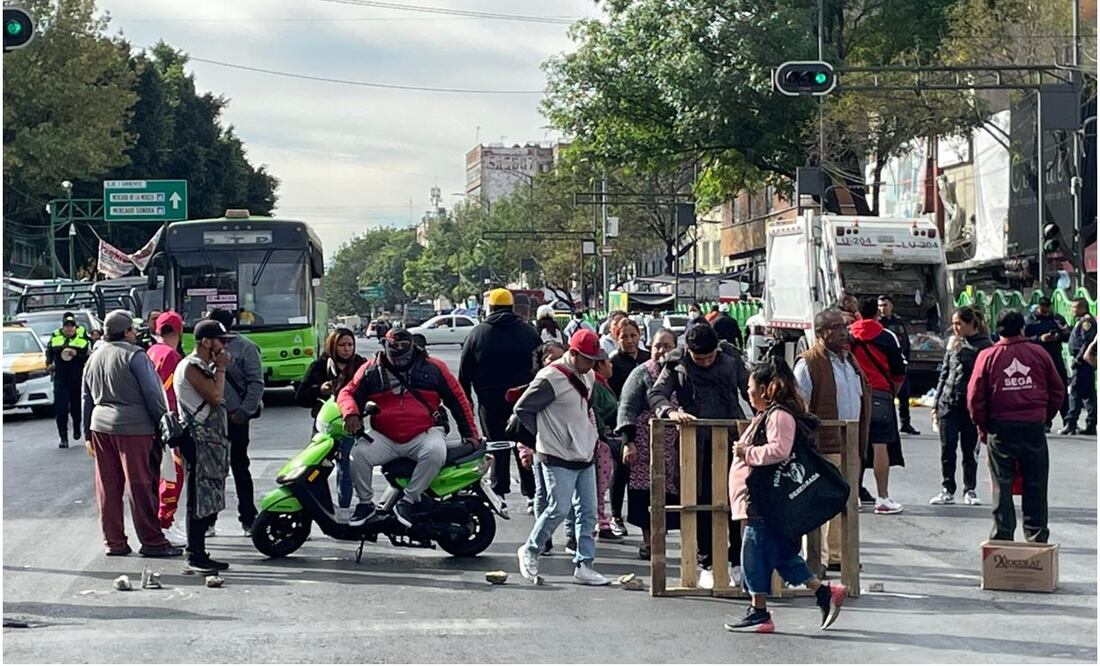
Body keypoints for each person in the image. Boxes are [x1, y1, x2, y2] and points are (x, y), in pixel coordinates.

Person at [724, 359, 846, 633]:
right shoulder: (769, 414)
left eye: (751, 387)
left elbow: (780, 450)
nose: (748, 392)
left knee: (752, 554)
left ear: (766, 389)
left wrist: (746, 452)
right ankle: (824, 592)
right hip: (761, 500)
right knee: (779, 555)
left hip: (764, 501)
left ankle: (759, 612)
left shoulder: (779, 415)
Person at [339, 328, 479, 528]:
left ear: (412, 345)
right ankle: (365, 504)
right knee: (357, 454)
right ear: (385, 346)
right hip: (384, 436)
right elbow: (347, 392)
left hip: (425, 433)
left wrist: (471, 434)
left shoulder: (435, 368)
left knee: (435, 452)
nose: (399, 350)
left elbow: (458, 400)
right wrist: (351, 412)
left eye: (404, 346)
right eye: (394, 346)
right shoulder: (370, 370)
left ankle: (409, 500)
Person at [649, 322, 748, 589]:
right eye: (698, 358)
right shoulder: (676, 362)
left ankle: (737, 560)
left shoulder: (731, 358)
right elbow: (656, 393)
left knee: (736, 501)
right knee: (699, 501)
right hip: (694, 444)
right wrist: (670, 412)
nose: (704, 363)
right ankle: (707, 563)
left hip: (730, 439)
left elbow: (750, 388)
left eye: (709, 357)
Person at [513, 329, 611, 586]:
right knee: (559, 508)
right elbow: (522, 409)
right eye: (588, 358)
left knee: (588, 512)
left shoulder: (589, 375)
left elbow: (586, 407)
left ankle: (584, 564)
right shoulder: (550, 378)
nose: (592, 364)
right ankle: (530, 549)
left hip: (584, 452)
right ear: (574, 354)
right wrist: (544, 434)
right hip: (555, 453)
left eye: (595, 359)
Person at [81, 310, 178, 558]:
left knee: (108, 487)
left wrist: (86, 434)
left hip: (100, 427)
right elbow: (153, 394)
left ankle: (114, 542)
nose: (136, 333)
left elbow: (86, 399)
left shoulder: (94, 356)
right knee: (140, 486)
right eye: (133, 330)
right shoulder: (135, 356)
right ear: (126, 332)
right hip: (134, 429)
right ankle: (152, 542)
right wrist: (163, 424)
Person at [968, 310, 1065, 543]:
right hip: (1033, 425)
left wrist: (983, 425)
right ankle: (1037, 537)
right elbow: (1057, 390)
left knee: (1001, 484)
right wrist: (1044, 416)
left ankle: (1002, 537)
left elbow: (974, 397)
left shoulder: (988, 356)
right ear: (1022, 328)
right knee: (1036, 483)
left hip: (1000, 428)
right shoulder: (1039, 353)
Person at [793, 309, 871, 575]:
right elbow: (800, 405)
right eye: (836, 327)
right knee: (820, 503)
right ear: (821, 333)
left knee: (844, 501)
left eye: (845, 326)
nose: (843, 332)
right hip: (824, 444)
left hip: (850, 445)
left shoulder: (850, 361)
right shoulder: (809, 363)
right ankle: (817, 559)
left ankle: (837, 555)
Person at [458, 288, 541, 511]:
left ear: (491, 308)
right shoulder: (529, 332)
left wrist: (468, 399)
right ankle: (532, 493)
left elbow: (464, 373)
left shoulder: (478, 334)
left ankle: (499, 490)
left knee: (496, 445)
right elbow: (542, 366)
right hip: (524, 400)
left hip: (490, 400)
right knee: (524, 444)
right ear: (512, 308)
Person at [174, 318, 234, 573]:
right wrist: (220, 369)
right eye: (221, 341)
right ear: (206, 342)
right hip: (198, 441)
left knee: (210, 493)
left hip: (210, 442)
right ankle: (195, 552)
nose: (224, 347)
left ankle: (199, 551)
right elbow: (216, 397)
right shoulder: (191, 366)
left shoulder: (200, 365)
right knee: (199, 496)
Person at [616, 328, 679, 559]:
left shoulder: (682, 373)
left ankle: (666, 540)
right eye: (657, 346)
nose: (662, 350)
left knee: (674, 495)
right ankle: (649, 542)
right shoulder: (641, 374)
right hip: (645, 445)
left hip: (676, 448)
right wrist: (628, 442)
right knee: (645, 495)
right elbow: (627, 409)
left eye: (667, 346)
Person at [296, 327, 368, 508]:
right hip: (324, 427)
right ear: (332, 346)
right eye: (342, 345)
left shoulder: (361, 365)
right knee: (315, 469)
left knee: (346, 468)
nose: (346, 349)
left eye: (350, 345)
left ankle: (345, 508)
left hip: (349, 426)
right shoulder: (319, 366)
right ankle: (316, 509)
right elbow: (301, 397)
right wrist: (319, 389)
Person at [208, 308, 264, 535]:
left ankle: (248, 519)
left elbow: (256, 384)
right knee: (213, 471)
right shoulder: (205, 348)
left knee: (240, 467)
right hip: (211, 419)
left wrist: (243, 412)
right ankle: (208, 520)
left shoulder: (246, 348)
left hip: (235, 418)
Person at [849, 297, 906, 515]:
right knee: (880, 444)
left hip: (854, 394)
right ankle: (882, 497)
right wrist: (892, 392)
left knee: (854, 446)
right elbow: (899, 372)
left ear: (857, 314)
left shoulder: (848, 336)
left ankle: (853, 496)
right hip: (881, 394)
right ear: (877, 313)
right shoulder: (886, 336)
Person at [929, 307, 992, 506]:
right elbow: (945, 373)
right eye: (953, 323)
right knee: (947, 447)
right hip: (948, 402)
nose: (955, 328)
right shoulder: (953, 344)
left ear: (971, 324)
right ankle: (947, 488)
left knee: (969, 450)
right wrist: (936, 402)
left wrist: (962, 352)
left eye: (959, 324)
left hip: (970, 405)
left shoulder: (984, 346)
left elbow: (983, 376)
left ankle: (970, 488)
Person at [147, 311, 187, 547]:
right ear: (179, 331)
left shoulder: (151, 351)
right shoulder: (171, 356)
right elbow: (172, 395)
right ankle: (165, 522)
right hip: (169, 424)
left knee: (160, 475)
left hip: (151, 423)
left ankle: (164, 521)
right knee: (173, 474)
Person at [607, 317, 649, 535]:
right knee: (621, 471)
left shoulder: (648, 359)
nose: (630, 340)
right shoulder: (613, 363)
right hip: (621, 425)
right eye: (624, 336)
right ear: (616, 338)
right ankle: (615, 515)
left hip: (648, 424)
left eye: (633, 335)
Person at [1024, 297, 1070, 432]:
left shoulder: (1057, 319)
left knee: (1061, 388)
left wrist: (1063, 333)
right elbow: (1024, 339)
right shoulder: (1029, 320)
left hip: (1056, 357)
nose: (1046, 311)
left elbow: (1067, 337)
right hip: (1038, 359)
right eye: (1043, 308)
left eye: (1048, 308)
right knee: (1042, 390)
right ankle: (1045, 421)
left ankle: (1068, 420)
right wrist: (1040, 339)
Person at [46, 312, 90, 448]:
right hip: (61, 378)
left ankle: (77, 427)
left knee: (76, 407)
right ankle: (63, 437)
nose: (69, 329)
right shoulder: (55, 338)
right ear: (63, 327)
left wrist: (77, 354)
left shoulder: (82, 339)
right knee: (61, 408)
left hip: (76, 377)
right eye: (66, 327)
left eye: (71, 327)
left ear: (75, 328)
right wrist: (48, 363)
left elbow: (86, 357)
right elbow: (49, 352)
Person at [878, 295, 919, 435]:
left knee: (904, 395)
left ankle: (905, 423)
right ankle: (889, 424)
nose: (882, 309)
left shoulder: (899, 323)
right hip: (885, 367)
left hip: (900, 364)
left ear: (891, 306)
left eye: (885, 305)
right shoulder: (878, 325)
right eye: (880, 306)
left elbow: (905, 343)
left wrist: (905, 360)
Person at [1062, 298, 1096, 436]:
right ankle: (1091, 423)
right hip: (1084, 362)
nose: (1072, 310)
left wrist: (1078, 359)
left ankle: (1070, 424)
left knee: (1075, 392)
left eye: (1074, 307)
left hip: (1082, 363)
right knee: (1088, 394)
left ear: (1082, 308)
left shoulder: (1086, 322)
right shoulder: (1081, 321)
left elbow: (1087, 342)